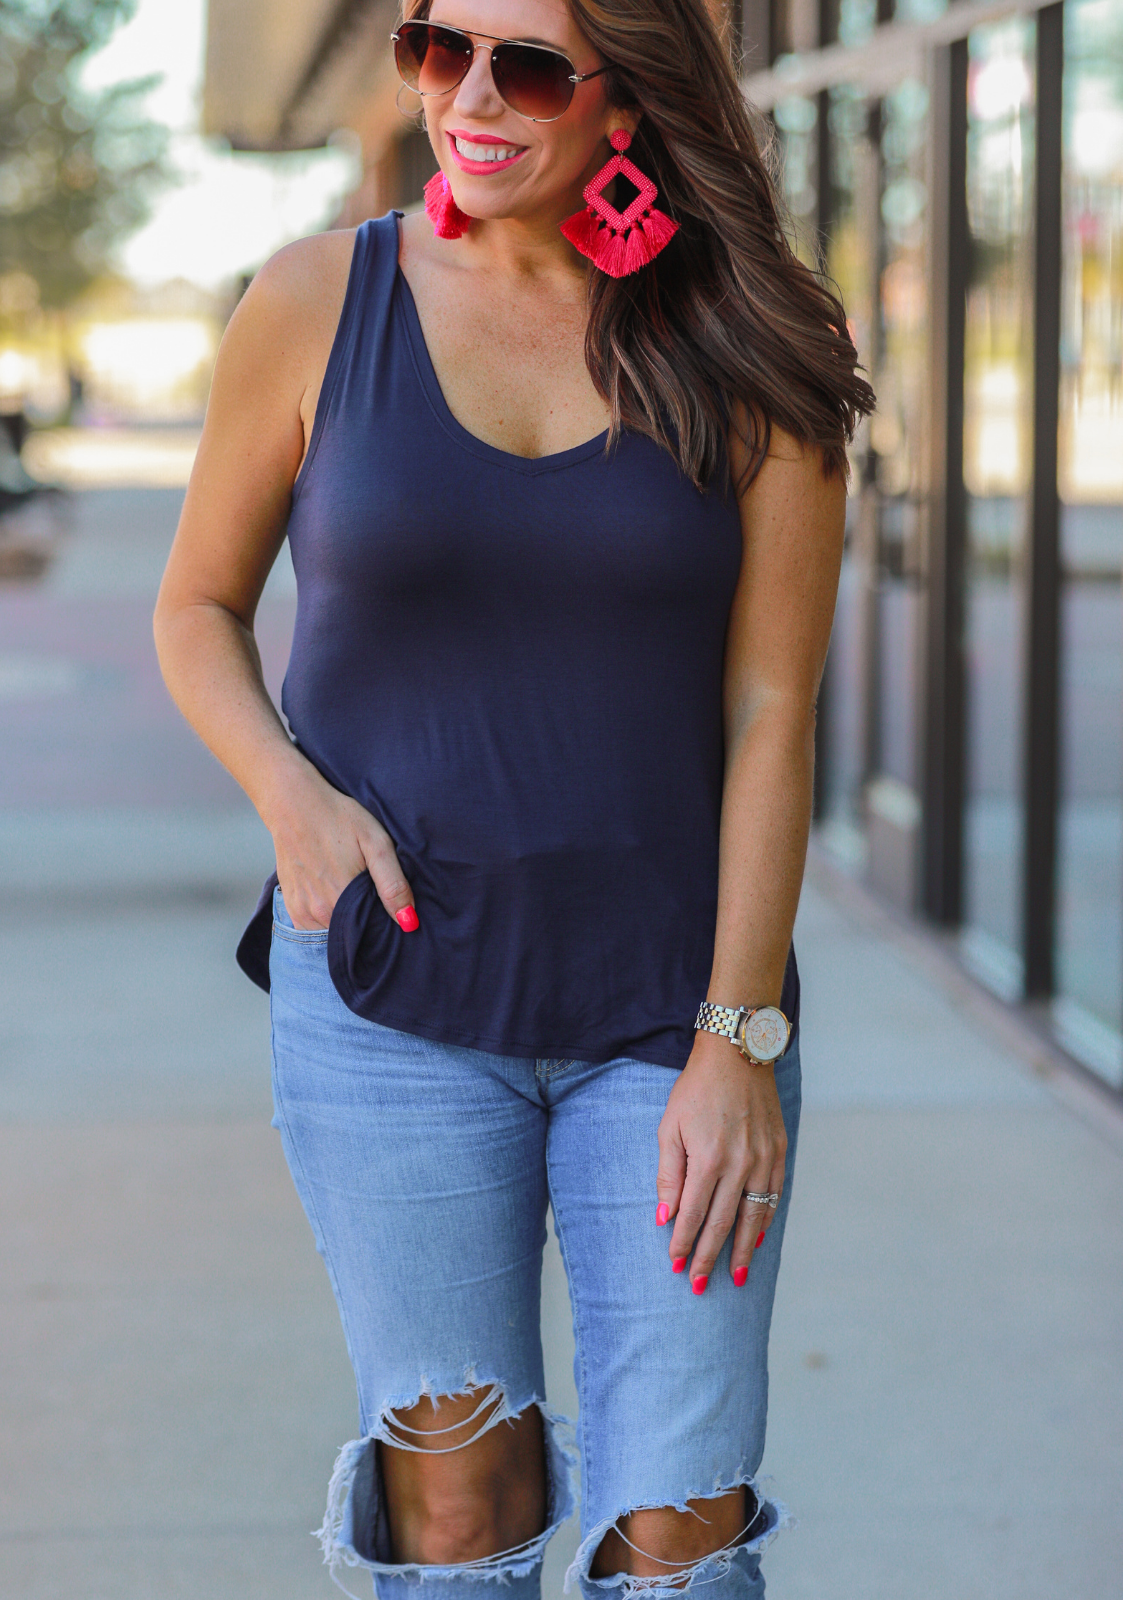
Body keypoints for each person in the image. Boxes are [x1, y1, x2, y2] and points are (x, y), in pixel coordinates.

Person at [153, 1, 874, 1595]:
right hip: (390, 996)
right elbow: (195, 608)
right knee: (457, 1510)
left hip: (673, 1010)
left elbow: (774, 712)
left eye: (528, 67)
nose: (469, 96)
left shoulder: (753, 341)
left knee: (676, 1526)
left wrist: (739, 1037)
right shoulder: (316, 301)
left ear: (628, 102)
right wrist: (290, 799)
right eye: (436, 47)